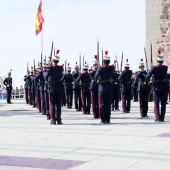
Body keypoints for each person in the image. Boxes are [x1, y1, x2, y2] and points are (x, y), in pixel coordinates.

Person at [146, 50, 168, 122]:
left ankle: (158, 118)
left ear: (157, 61)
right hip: (164, 87)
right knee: (163, 103)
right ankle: (162, 117)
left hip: (156, 87)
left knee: (156, 103)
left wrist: (148, 79)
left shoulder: (154, 68)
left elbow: (147, 76)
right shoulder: (165, 68)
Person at [94, 52, 114, 123]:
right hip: (109, 86)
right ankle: (108, 119)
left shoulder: (100, 69)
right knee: (108, 104)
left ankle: (103, 119)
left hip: (102, 87)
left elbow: (95, 77)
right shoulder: (112, 68)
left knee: (102, 104)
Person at [45, 51, 63, 125]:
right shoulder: (60, 68)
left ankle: (53, 120)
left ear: (53, 61)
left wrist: (49, 67)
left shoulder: (50, 68)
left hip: (52, 88)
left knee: (52, 104)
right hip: (59, 87)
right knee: (58, 105)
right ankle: (58, 120)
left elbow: (46, 77)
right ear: (58, 61)